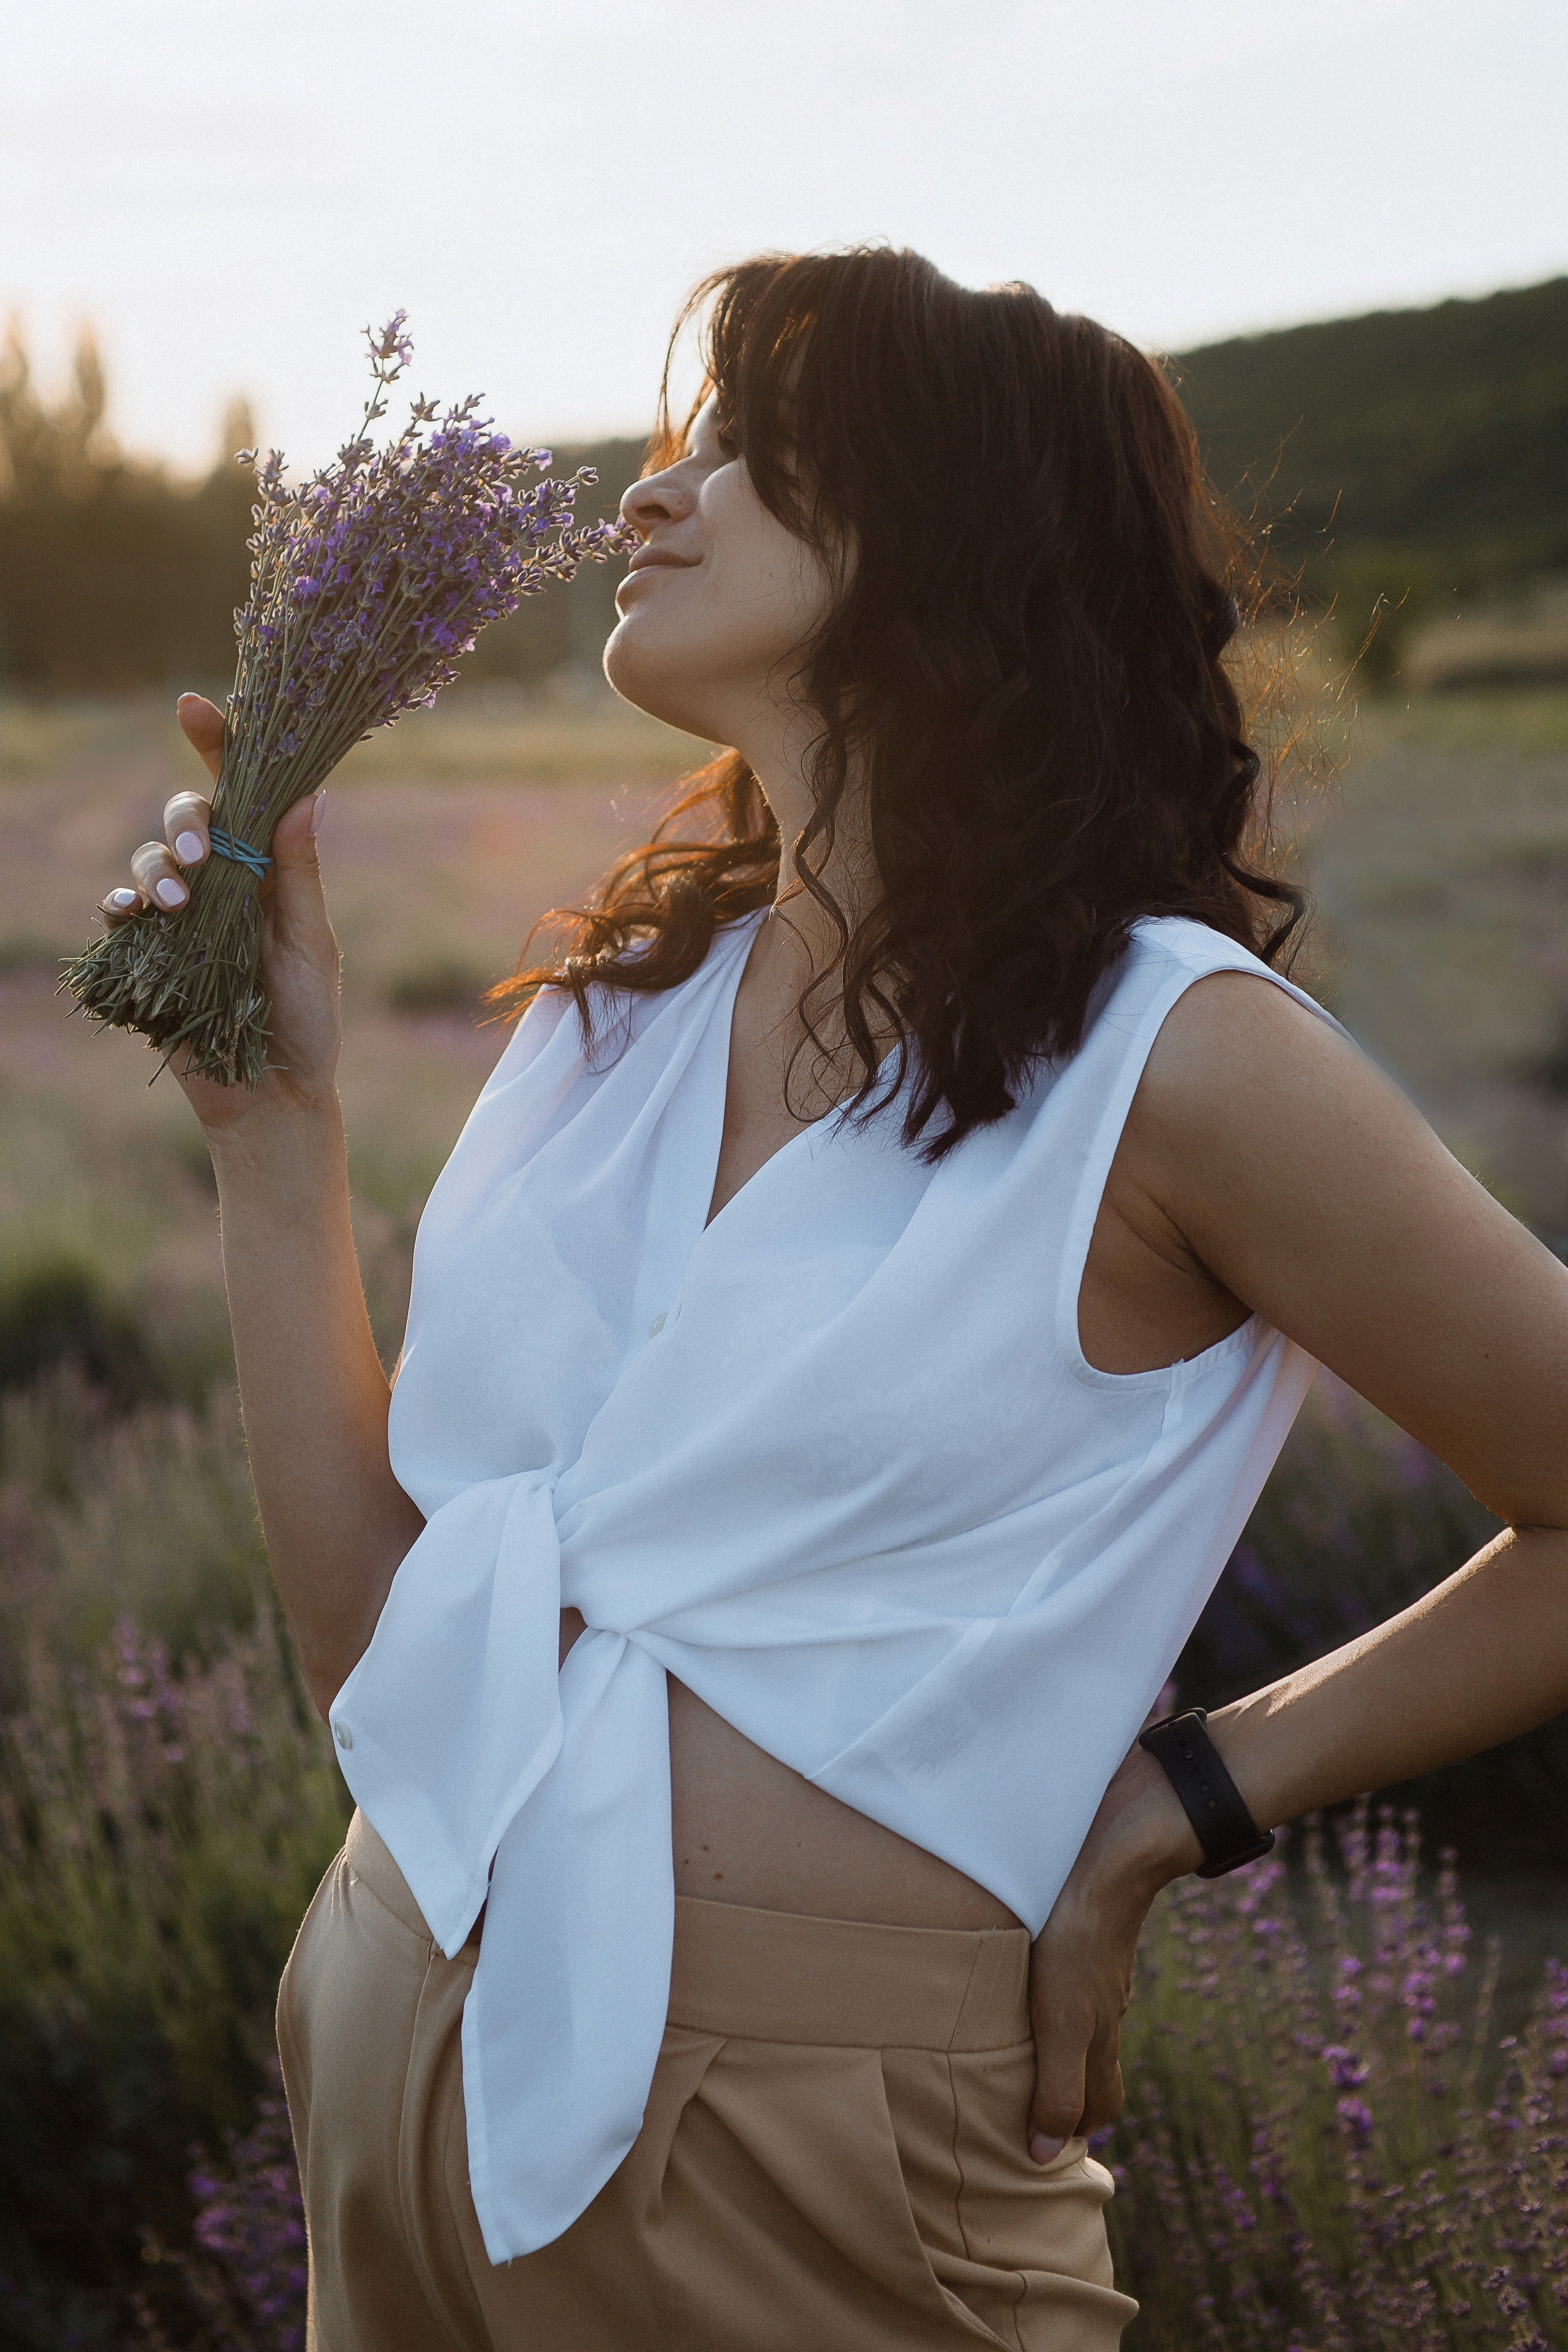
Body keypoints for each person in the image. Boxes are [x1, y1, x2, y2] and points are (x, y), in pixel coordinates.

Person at [100, 248, 1568, 2352]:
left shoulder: (1180, 1053)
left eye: (752, 452)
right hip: (385, 2061)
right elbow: (387, 1660)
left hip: (818, 2180)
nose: (647, 492)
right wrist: (274, 1138)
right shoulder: (615, 1012)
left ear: (945, 533)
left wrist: (1184, 1802)